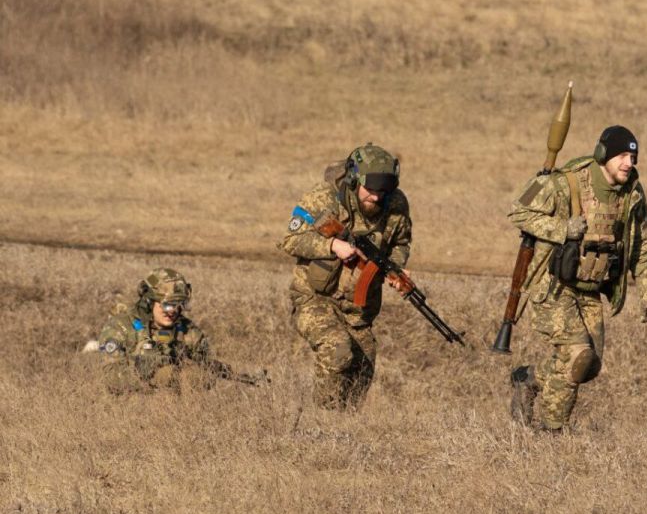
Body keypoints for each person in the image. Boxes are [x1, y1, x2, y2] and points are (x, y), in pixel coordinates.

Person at [507, 125, 647, 432]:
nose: (628, 163)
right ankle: (551, 431)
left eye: (632, 156)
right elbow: (518, 211)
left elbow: (642, 243)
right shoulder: (565, 181)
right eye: (621, 156)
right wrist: (562, 229)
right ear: (603, 154)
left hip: (591, 290)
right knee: (578, 354)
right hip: (553, 287)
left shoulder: (632, 192)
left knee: (587, 367)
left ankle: (529, 378)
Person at [278, 143, 411, 409]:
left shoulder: (395, 205)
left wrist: (394, 268)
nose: (376, 197)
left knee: (363, 365)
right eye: (370, 190)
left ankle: (345, 426)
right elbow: (290, 239)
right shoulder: (324, 198)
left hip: (357, 309)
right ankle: (325, 421)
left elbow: (401, 243)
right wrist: (331, 246)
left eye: (383, 191)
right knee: (338, 350)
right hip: (315, 298)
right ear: (353, 180)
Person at [85, 268, 264, 393]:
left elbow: (208, 363)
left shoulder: (186, 330)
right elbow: (110, 380)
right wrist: (142, 369)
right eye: (166, 304)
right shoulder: (122, 327)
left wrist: (241, 374)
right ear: (149, 302)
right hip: (129, 408)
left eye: (178, 305)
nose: (172, 311)